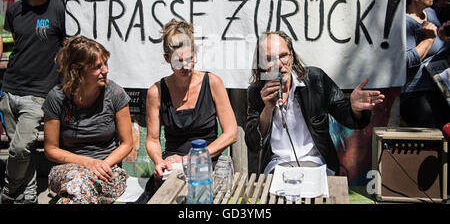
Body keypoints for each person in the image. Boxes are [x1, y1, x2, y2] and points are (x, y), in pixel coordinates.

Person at [245, 31, 385, 176]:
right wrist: (268, 108)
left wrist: (355, 109)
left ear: (291, 56)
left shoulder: (316, 80)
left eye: (283, 56)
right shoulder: (256, 93)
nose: (279, 65)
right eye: (270, 59)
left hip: (317, 164)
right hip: (277, 166)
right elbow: (253, 144)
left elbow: (348, 117)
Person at [138, 19, 238, 203]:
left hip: (208, 161)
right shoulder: (156, 92)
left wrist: (194, 159)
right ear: (167, 58)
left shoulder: (213, 83)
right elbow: (152, 139)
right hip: (173, 165)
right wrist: (159, 162)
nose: (186, 66)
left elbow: (231, 134)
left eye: (190, 59)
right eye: (179, 61)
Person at [0, 0, 66, 204]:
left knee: (19, 148)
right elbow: (19, 43)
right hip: (10, 89)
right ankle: (27, 196)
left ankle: (9, 190)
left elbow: (66, 45)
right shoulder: (15, 10)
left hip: (39, 93)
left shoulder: (59, 9)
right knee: (23, 152)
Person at [42, 36, 133, 204]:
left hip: (108, 171)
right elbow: (51, 149)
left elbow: (127, 143)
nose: (105, 70)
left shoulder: (115, 94)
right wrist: (88, 163)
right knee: (80, 182)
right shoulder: (57, 98)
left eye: (106, 63)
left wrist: (102, 165)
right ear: (76, 70)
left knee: (72, 196)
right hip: (68, 171)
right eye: (98, 67)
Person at [401, 0, 450, 129]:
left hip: (440, 88)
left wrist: (442, 37)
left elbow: (437, 49)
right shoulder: (405, 23)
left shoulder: (430, 14)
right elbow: (406, 60)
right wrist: (429, 39)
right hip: (417, 93)